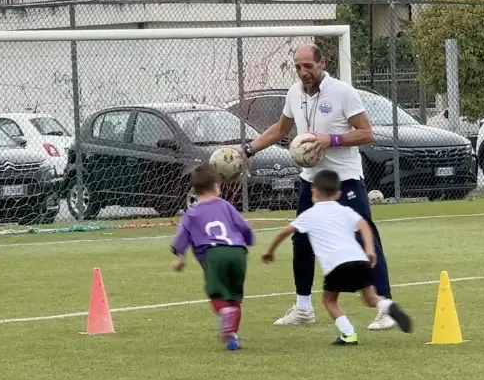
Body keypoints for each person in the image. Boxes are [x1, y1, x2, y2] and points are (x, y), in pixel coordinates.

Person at [240, 43, 396, 331]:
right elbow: (280, 129)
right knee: (301, 241)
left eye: (308, 66)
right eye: (298, 67)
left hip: (345, 180)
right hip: (311, 181)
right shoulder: (293, 93)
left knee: (365, 238)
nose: (303, 72)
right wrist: (246, 151)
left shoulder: (343, 92)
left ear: (322, 63)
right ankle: (303, 308)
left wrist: (330, 140)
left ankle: (384, 306)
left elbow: (367, 133)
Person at [261, 170, 411, 345]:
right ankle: (387, 306)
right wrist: (369, 249)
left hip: (336, 266)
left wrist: (270, 251)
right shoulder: (345, 210)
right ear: (339, 194)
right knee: (371, 298)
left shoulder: (309, 215)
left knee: (329, 301)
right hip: (360, 260)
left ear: (313, 191)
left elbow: (285, 231)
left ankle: (348, 334)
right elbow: (363, 224)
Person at [171, 164, 255, 351]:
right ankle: (232, 337)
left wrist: (180, 258)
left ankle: (226, 314)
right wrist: (247, 242)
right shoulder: (226, 206)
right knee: (234, 297)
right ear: (217, 186)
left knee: (217, 295)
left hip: (214, 254)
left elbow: (182, 236)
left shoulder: (191, 213)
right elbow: (244, 227)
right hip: (238, 252)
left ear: (195, 190)